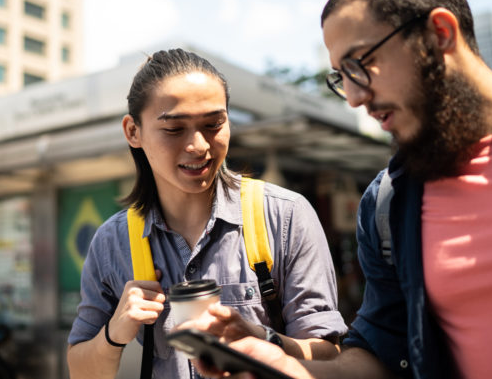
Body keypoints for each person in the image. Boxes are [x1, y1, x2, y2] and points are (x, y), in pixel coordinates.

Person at [214, 0, 492, 379]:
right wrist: (285, 367)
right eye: (340, 77)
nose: (352, 97)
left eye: (359, 65)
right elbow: (381, 354)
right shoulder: (387, 204)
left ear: (439, 33)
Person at [67, 49, 347, 379]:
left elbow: (328, 355)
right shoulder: (112, 242)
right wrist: (114, 334)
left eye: (214, 124)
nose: (199, 146)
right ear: (133, 132)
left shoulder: (285, 216)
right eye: (174, 129)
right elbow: (81, 370)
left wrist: (262, 339)